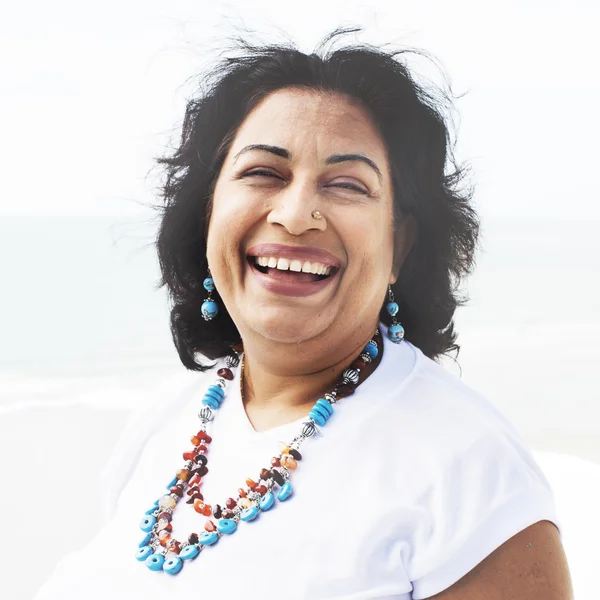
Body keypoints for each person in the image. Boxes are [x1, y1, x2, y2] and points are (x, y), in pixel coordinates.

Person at [34, 29, 574, 599]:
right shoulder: (164, 420)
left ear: (402, 244)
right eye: (263, 173)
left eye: (346, 184)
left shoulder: (470, 469)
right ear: (207, 215)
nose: (295, 216)